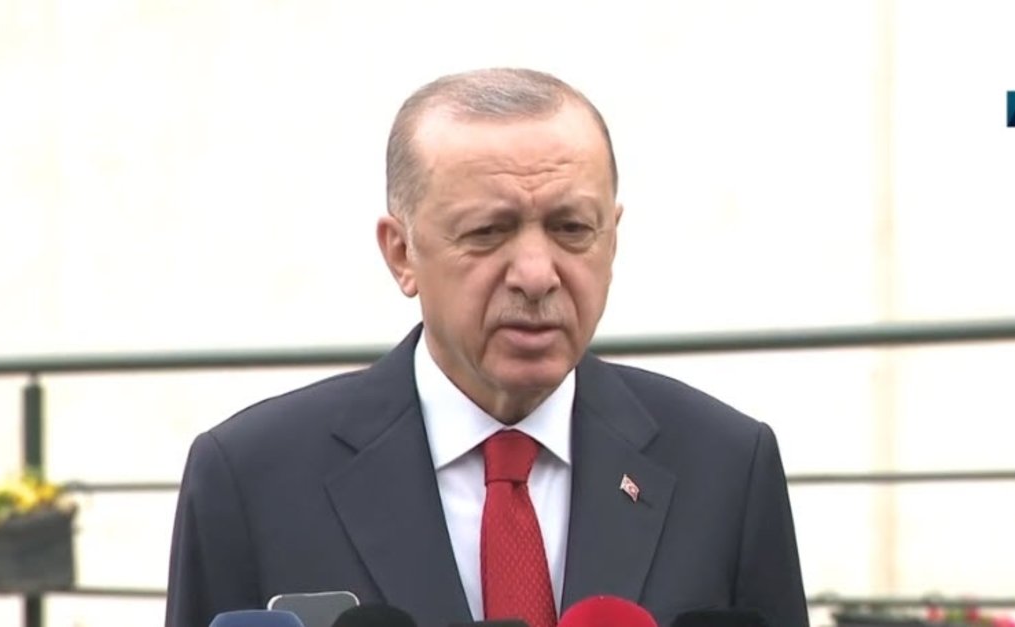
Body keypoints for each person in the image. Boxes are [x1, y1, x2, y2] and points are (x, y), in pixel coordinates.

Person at [165, 67, 808, 627]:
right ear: (402, 253)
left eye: (571, 228)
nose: (536, 273)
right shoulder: (251, 479)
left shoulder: (726, 467)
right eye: (487, 232)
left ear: (612, 239)